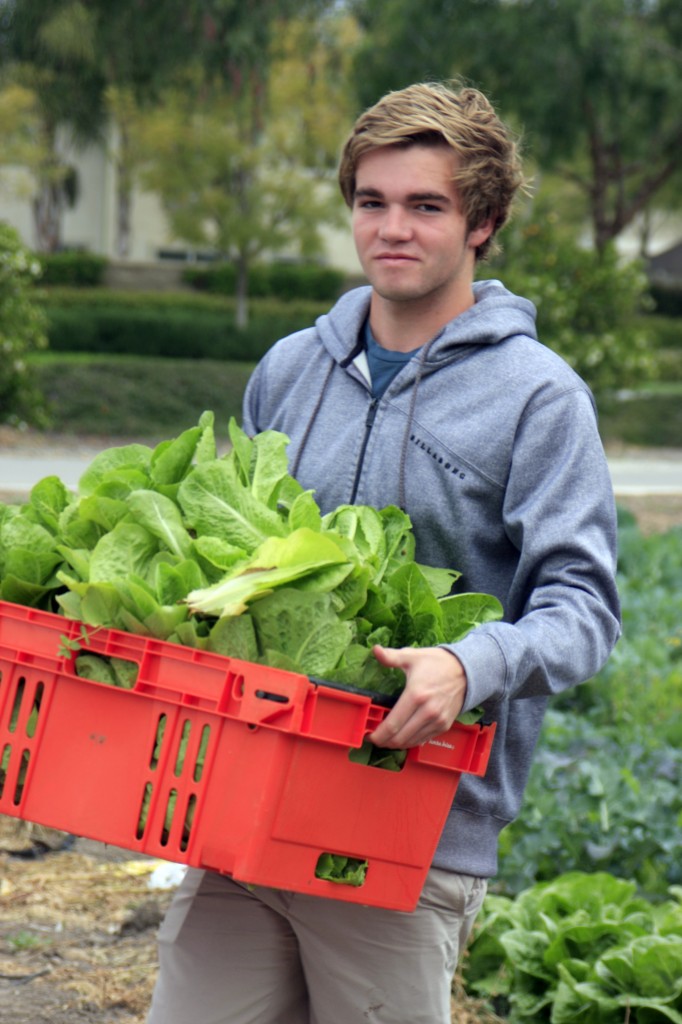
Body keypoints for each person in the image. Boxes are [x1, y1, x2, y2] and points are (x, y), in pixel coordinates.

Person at [147, 80, 621, 1024]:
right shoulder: (292, 367)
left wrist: (466, 660)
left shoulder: (538, 398)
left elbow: (585, 609)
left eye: (425, 206)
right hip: (247, 801)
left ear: (481, 222)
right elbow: (221, 551)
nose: (392, 228)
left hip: (407, 828)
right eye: (372, 202)